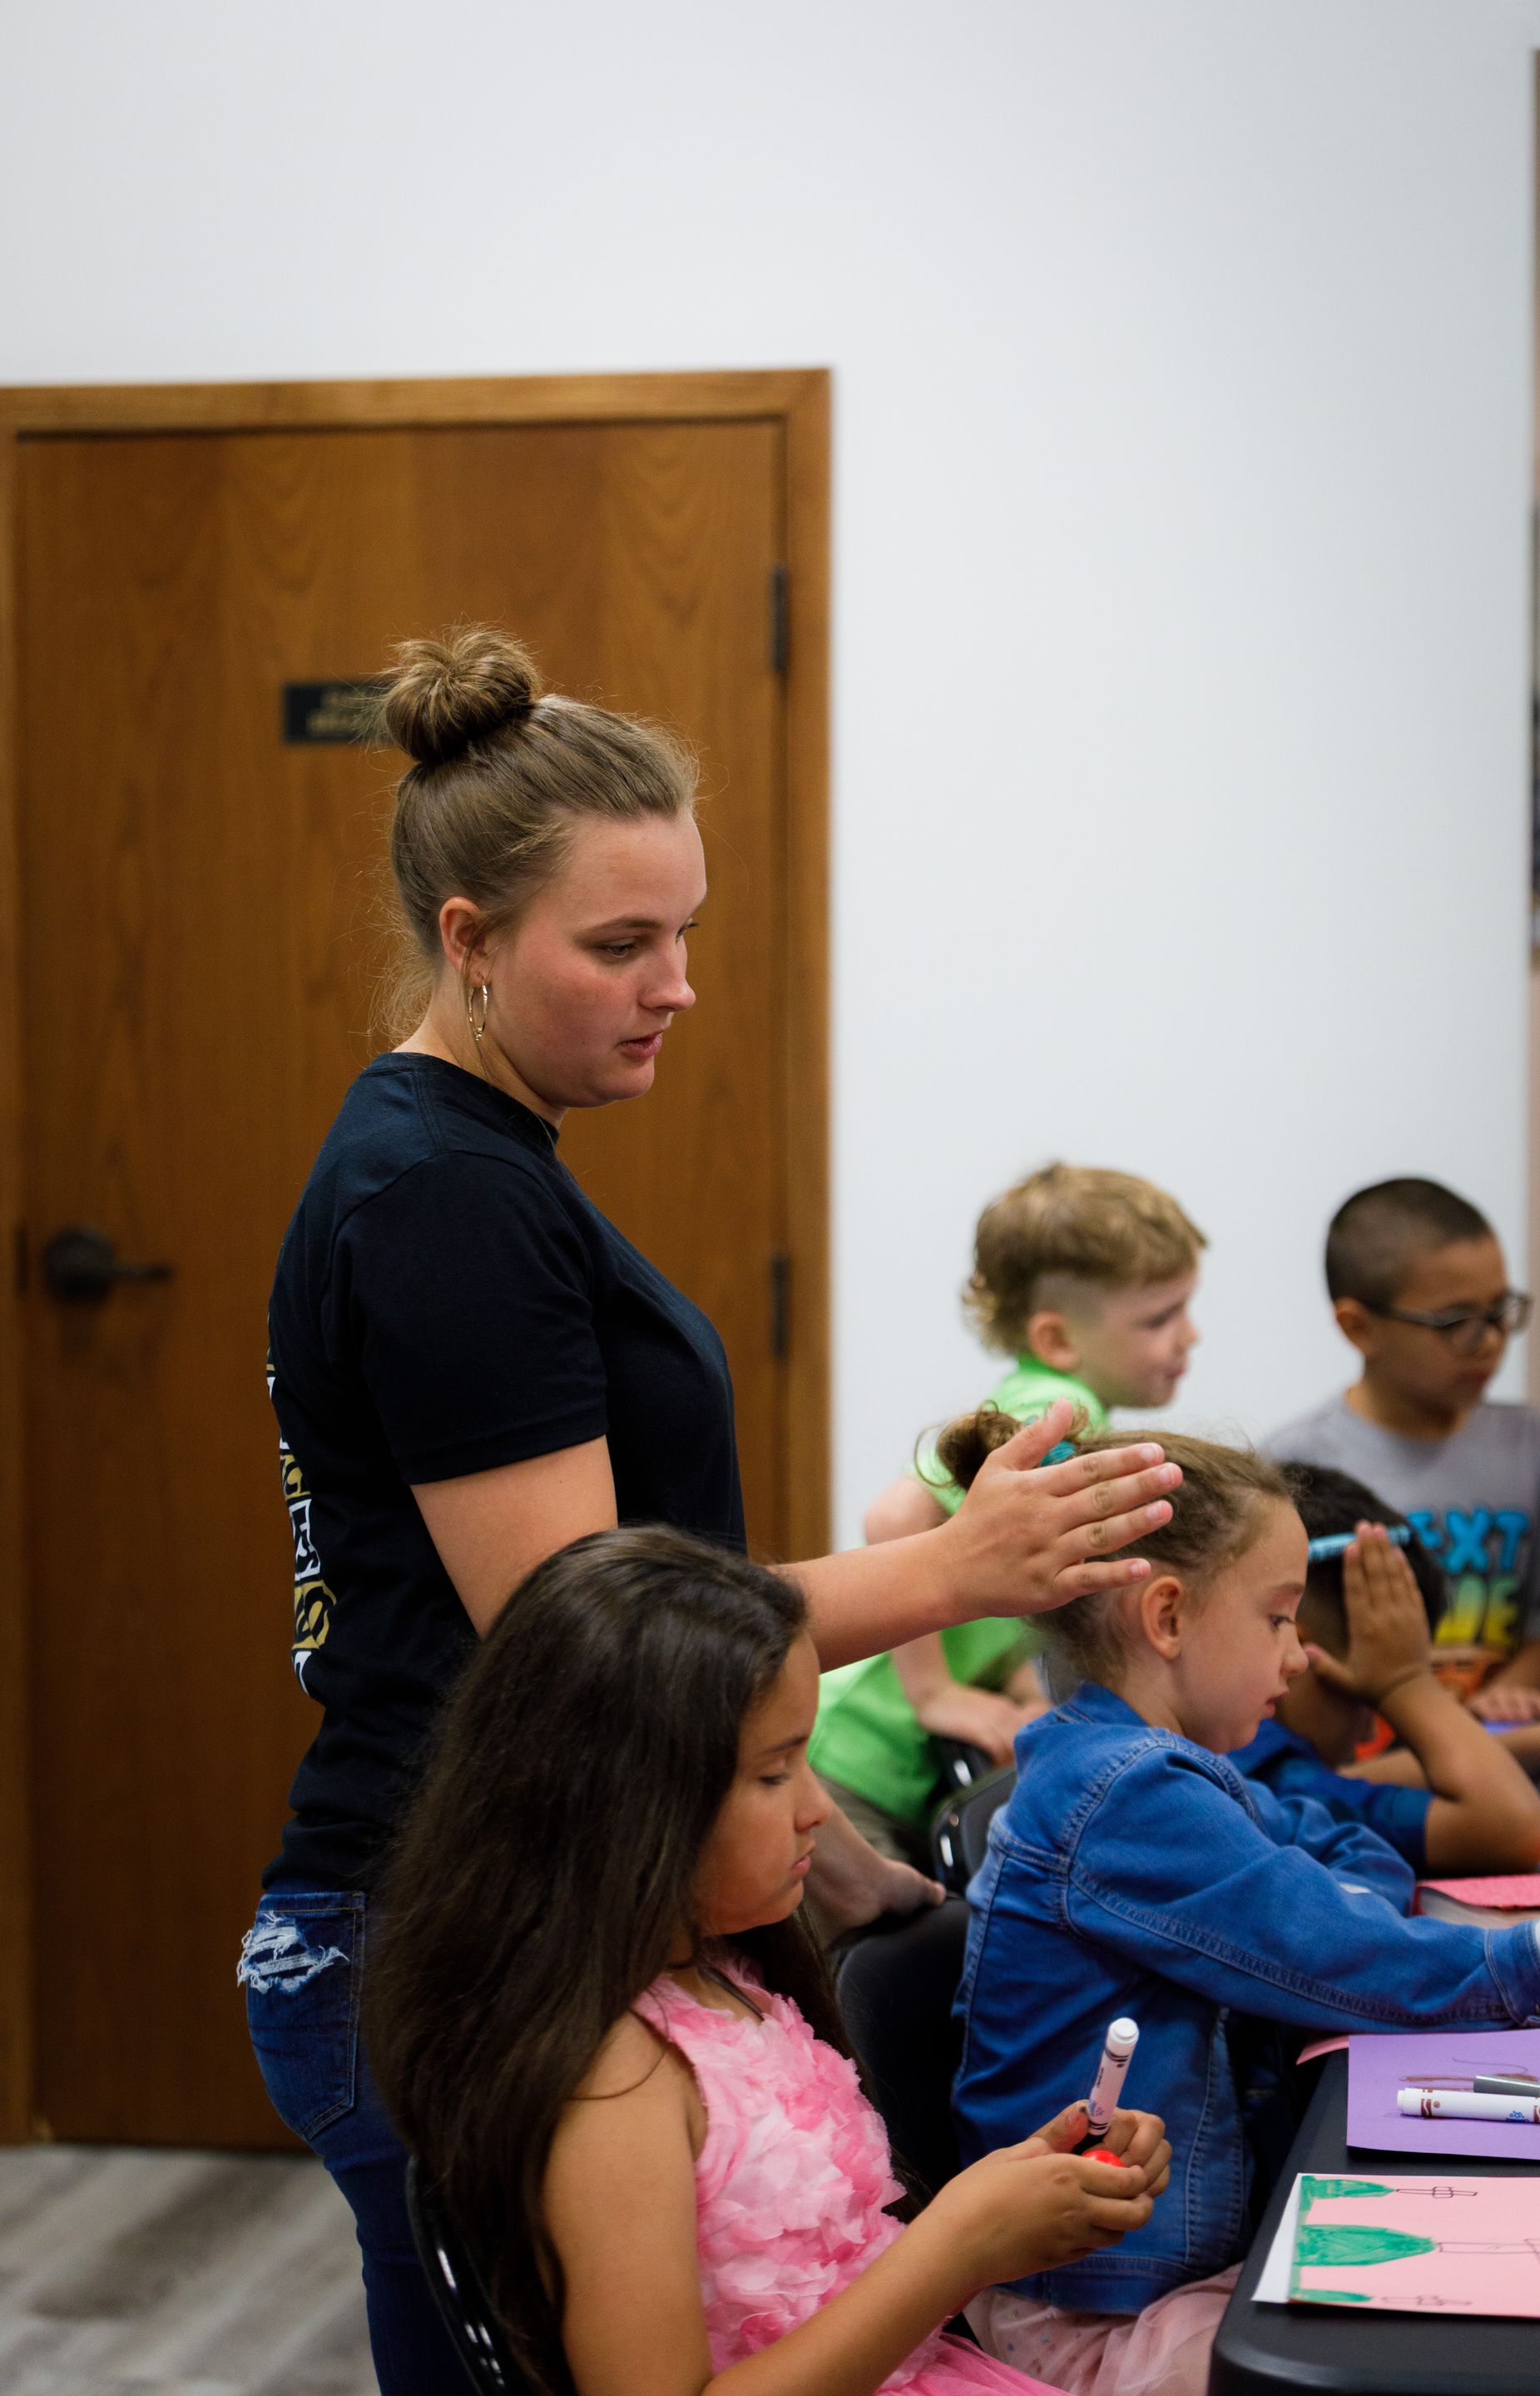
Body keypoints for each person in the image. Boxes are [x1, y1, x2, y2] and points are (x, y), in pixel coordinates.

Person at [241, 626, 1181, 2396]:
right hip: (437, 1921)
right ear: (469, 941)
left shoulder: (484, 1168)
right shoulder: (438, 1199)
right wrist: (953, 1572)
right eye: (617, 945)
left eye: (686, 933)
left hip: (532, 1901)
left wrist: (812, 1834)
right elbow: (588, 1642)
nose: (674, 982)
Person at [366, 1525, 1175, 2396]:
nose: (818, 1813)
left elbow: (829, 2271)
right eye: (775, 1772)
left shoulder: (726, 1974)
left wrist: (1021, 2201)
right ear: (635, 1798)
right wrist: (957, 2247)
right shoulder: (613, 2084)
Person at [941, 1413, 1540, 2396]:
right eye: (1279, 1618)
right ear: (1166, 1618)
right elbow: (1337, 1954)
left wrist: (1313, 1908)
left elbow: (1343, 1855)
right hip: (1091, 2307)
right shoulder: (1129, 1792)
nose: (1298, 1658)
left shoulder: (1164, 1767)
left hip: (1152, 2269)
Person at [810, 1165, 1204, 1865]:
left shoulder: (1057, 1407)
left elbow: (1010, 1584)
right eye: (1159, 1318)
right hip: (853, 1752)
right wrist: (933, 1691)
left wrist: (1019, 1687)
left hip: (885, 1761)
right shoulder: (1050, 1413)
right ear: (1057, 1339)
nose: (1189, 1336)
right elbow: (893, 1517)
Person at [1268, 1176, 1540, 1718]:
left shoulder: (1536, 1447)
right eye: (1457, 1321)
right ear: (1359, 1328)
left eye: (1499, 1310)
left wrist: (1498, 1705)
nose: (1490, 1340)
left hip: (1502, 1751)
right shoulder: (1294, 1466)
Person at [1240, 1463, 1540, 1852]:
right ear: (1291, 1653)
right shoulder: (1269, 1787)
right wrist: (1404, 1683)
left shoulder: (1247, 1759)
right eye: (1363, 1699)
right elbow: (1515, 1829)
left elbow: (1350, 1779)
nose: (1368, 1734)